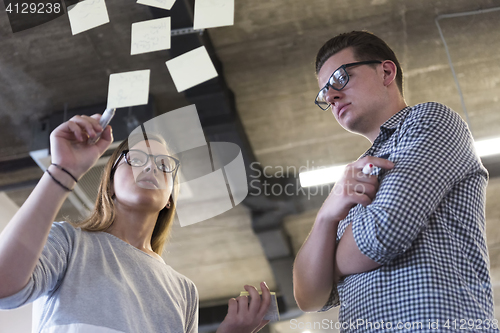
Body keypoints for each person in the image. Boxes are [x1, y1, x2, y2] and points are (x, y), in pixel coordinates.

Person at [293, 31, 498, 331]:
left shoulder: (430, 121)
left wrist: (329, 263)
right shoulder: (352, 181)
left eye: (340, 79)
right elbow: (309, 297)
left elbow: (383, 233)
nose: (332, 96)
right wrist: (326, 215)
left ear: (386, 71)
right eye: (325, 93)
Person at [0, 114, 271, 333]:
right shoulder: (70, 242)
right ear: (111, 183)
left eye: (164, 164)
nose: (150, 168)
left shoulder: (184, 290)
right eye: (136, 159)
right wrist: (62, 171)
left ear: (169, 199)